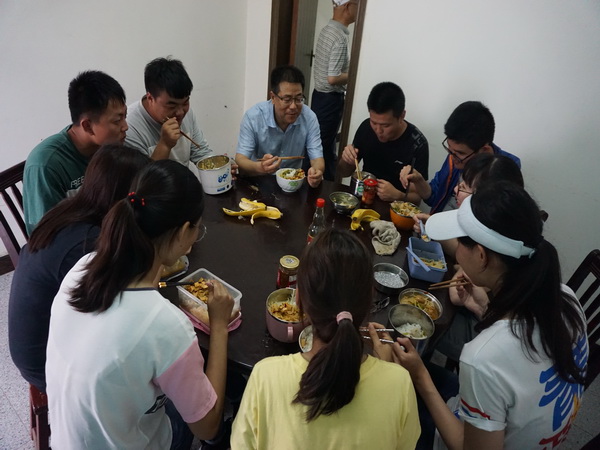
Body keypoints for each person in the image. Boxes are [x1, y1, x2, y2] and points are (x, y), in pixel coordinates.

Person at [381, 182, 588, 449]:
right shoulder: (565, 297)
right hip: (506, 421)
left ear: (481, 256)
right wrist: (481, 308)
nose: (456, 249)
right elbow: (518, 352)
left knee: (386, 397)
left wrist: (420, 376)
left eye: (459, 242)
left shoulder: (482, 359)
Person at [46, 160, 234, 448]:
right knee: (215, 421)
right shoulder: (166, 325)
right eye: (198, 229)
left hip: (65, 440)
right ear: (184, 231)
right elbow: (206, 427)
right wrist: (219, 326)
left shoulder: (83, 267)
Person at [231, 229, 420, 449]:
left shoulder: (265, 377)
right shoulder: (400, 384)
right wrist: (387, 370)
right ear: (370, 299)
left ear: (298, 300)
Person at [9, 144, 149, 393]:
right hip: (49, 364)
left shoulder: (72, 210)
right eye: (140, 198)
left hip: (41, 346)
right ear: (124, 197)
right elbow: (115, 311)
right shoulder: (87, 244)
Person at [23, 70, 128, 234]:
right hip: (74, 243)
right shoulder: (45, 164)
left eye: (125, 116)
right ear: (87, 126)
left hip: (106, 232)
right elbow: (45, 235)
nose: (125, 126)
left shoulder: (108, 147)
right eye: (117, 120)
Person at [400, 100, 521, 213]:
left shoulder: (505, 171)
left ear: (484, 151)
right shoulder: (456, 156)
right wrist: (419, 180)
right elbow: (434, 198)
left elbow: (489, 221)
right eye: (449, 149)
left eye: (459, 153)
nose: (452, 157)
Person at [338, 82, 429, 203]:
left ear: (402, 116)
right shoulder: (366, 127)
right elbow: (344, 172)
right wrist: (346, 159)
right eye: (374, 123)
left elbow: (417, 198)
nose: (378, 130)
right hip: (364, 199)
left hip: (394, 207)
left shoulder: (417, 144)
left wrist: (398, 195)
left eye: (385, 125)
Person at [235, 65, 325, 188]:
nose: (293, 106)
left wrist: (317, 172)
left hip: (292, 183)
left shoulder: (309, 117)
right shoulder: (253, 117)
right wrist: (260, 167)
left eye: (298, 99)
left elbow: (317, 159)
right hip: (258, 180)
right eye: (287, 99)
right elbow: (241, 159)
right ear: (273, 97)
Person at [125, 57, 213, 168]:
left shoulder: (185, 113)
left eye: (185, 102)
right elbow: (143, 177)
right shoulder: (129, 128)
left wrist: (220, 169)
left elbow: (201, 153)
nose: (180, 112)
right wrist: (164, 145)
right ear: (150, 98)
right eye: (172, 105)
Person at [311, 0, 358, 181]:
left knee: (321, 145)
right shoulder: (339, 37)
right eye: (356, 5)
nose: (358, 10)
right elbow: (333, 78)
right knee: (321, 148)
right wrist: (355, 73)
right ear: (347, 6)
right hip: (329, 101)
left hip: (319, 98)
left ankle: (322, 184)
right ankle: (322, 186)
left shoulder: (327, 30)